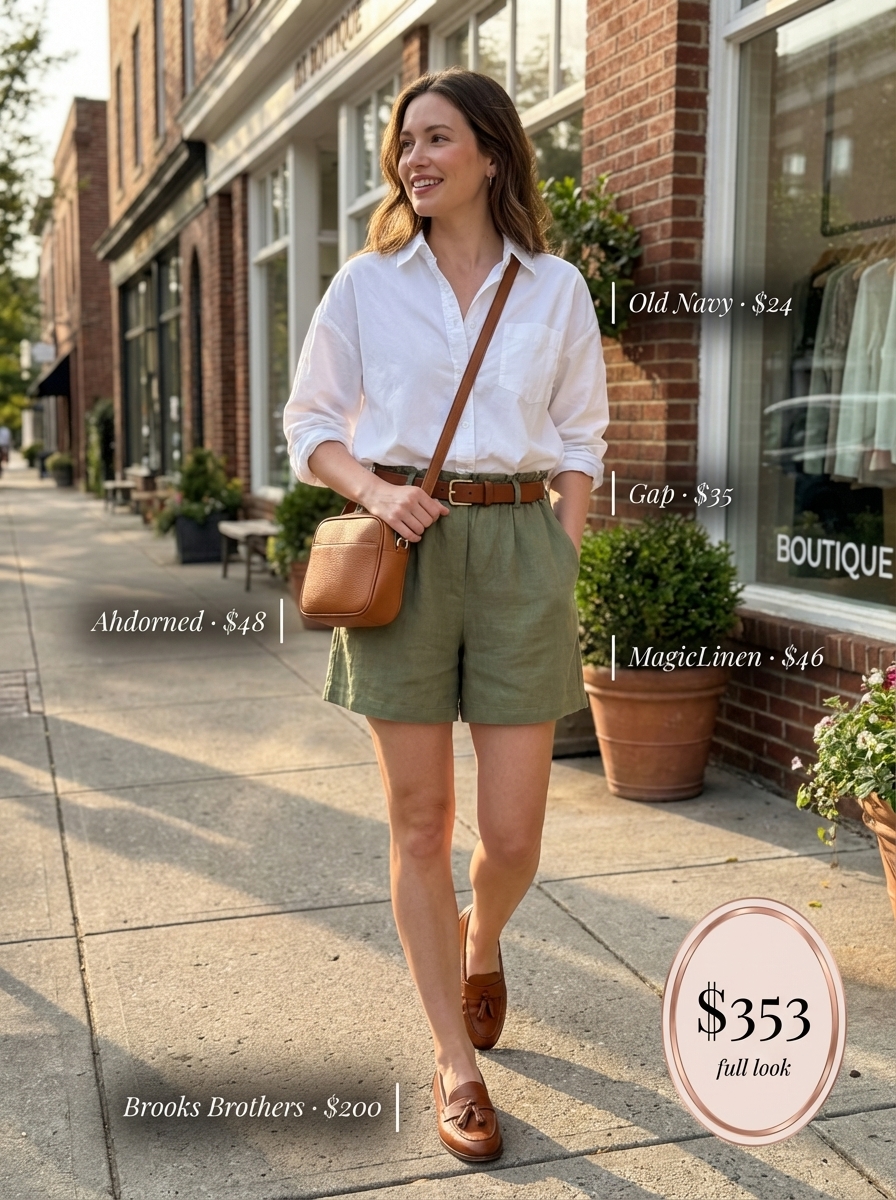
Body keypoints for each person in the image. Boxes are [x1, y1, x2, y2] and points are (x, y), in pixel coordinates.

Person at [284, 67, 608, 1163]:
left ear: (489, 151)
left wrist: (558, 549)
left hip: (520, 548)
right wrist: (375, 493)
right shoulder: (367, 285)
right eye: (403, 145)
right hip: (407, 548)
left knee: (511, 837)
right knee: (419, 822)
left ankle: (480, 938)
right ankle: (454, 1065)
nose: (414, 160)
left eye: (435, 139)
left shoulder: (555, 285)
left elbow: (579, 436)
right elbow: (310, 423)